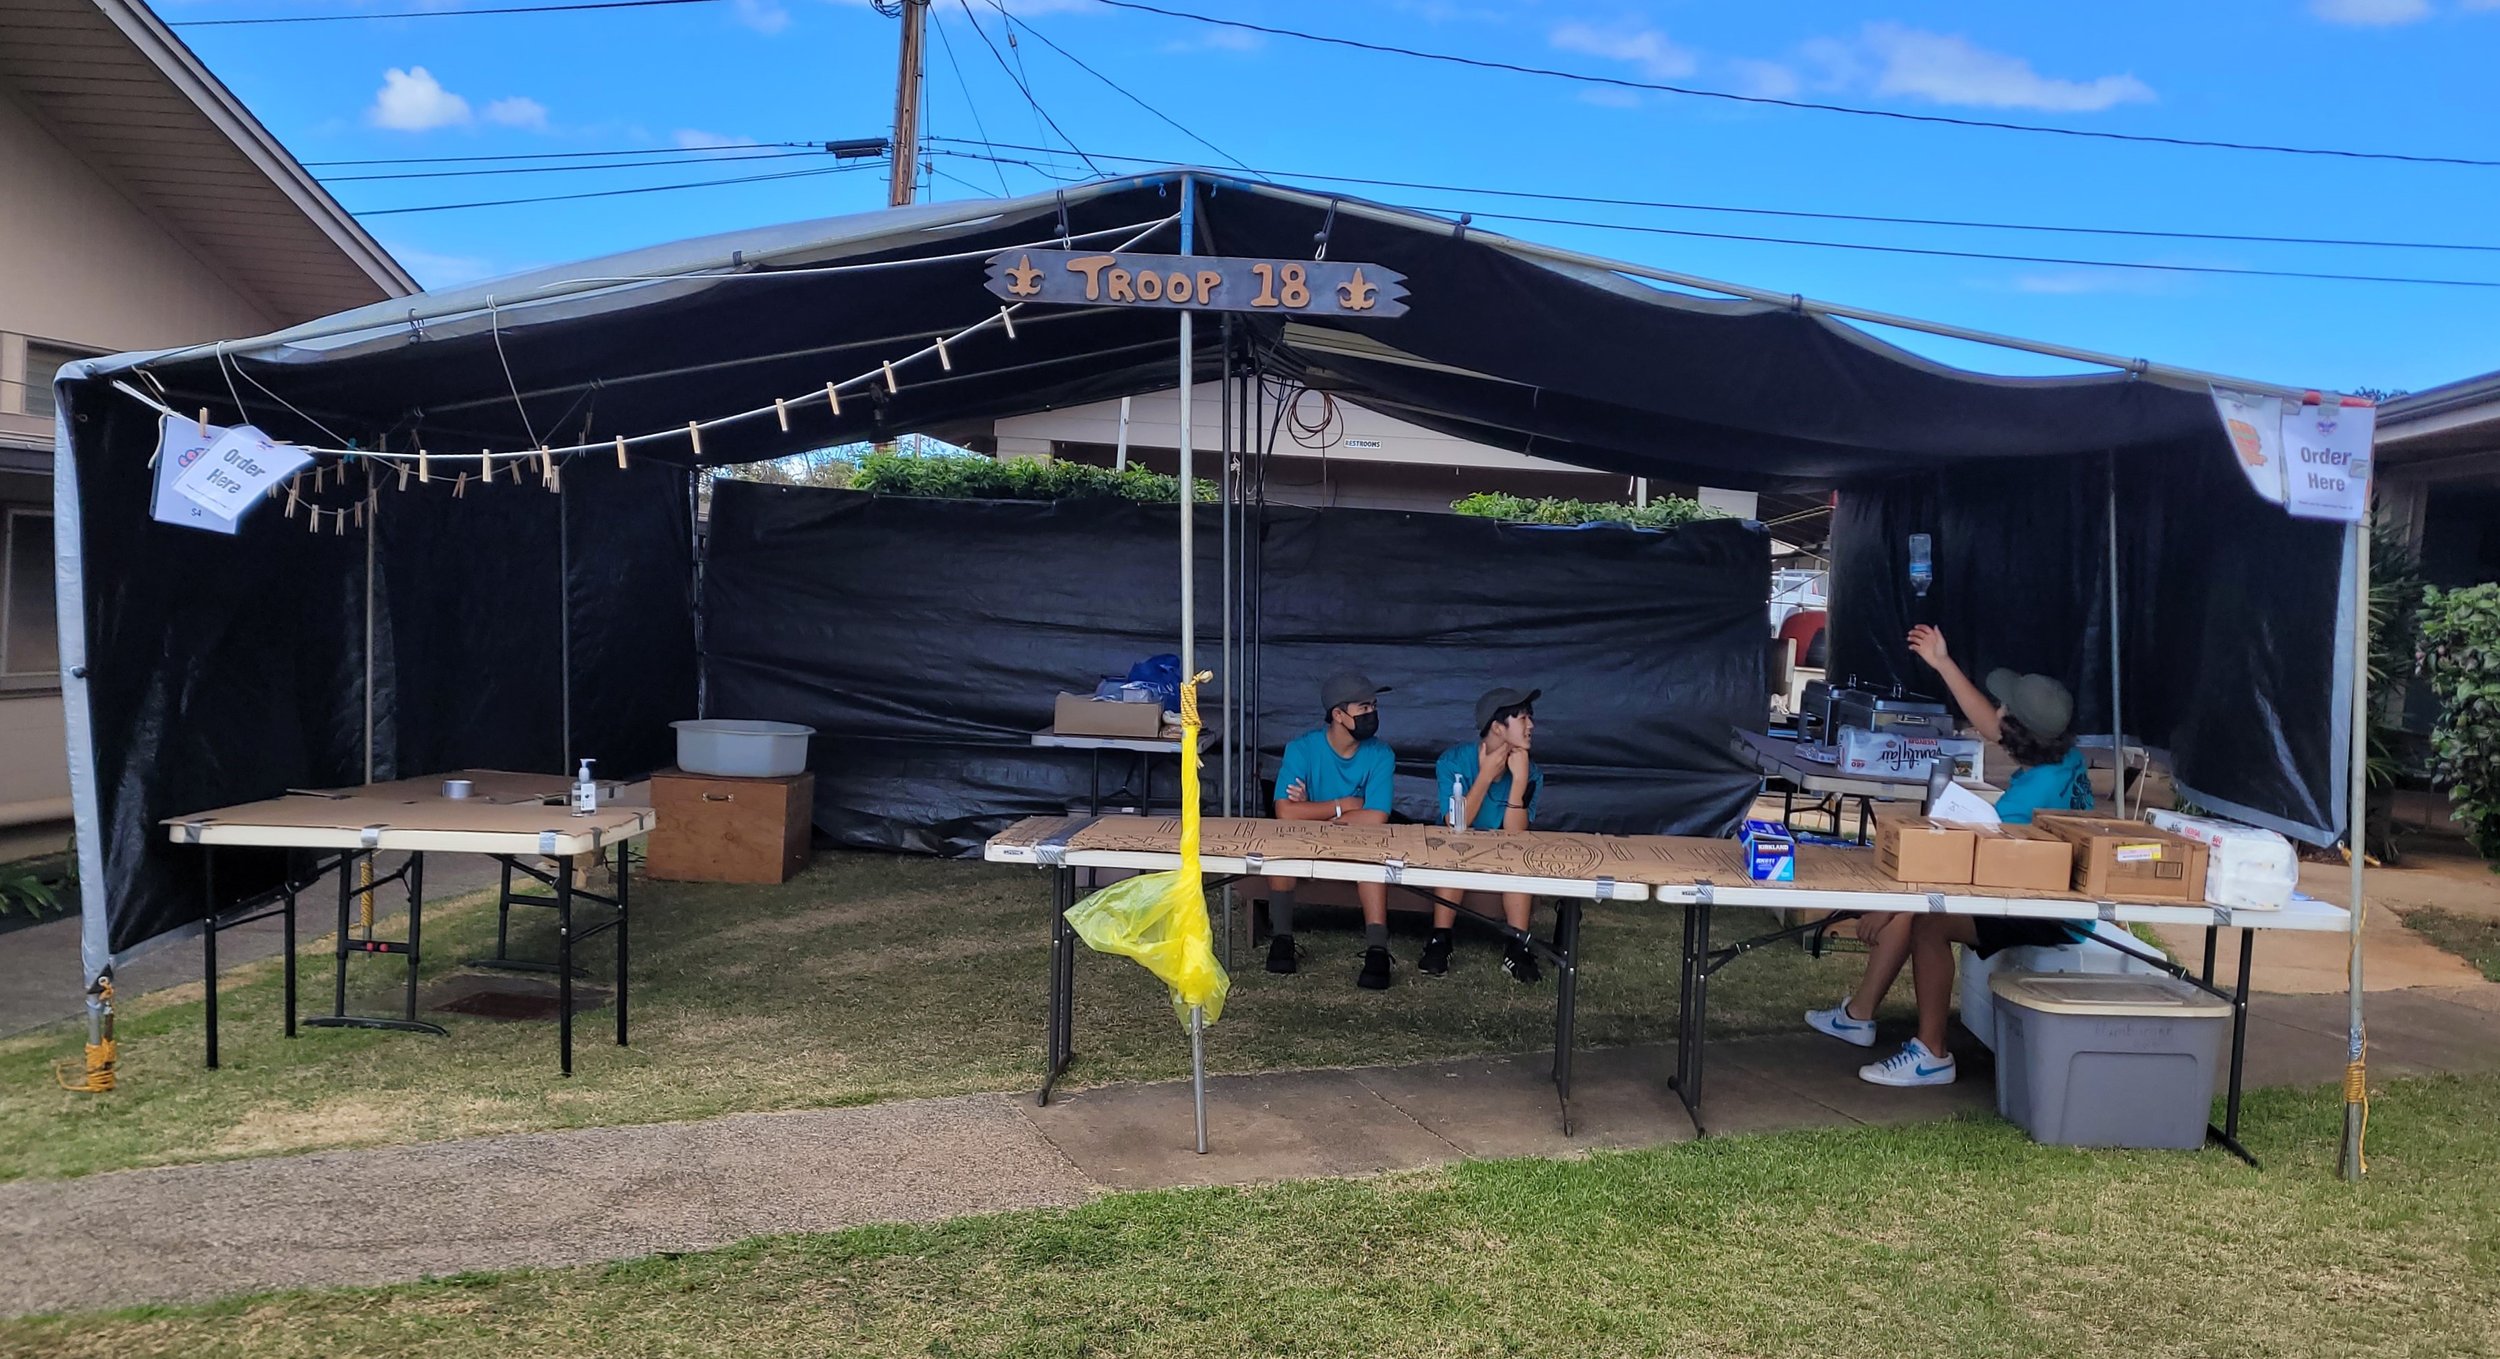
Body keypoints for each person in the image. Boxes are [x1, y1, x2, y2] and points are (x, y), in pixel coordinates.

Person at [1804, 624, 2095, 1086]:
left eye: (2005, 708)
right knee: (1917, 909)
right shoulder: (2064, 756)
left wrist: (1891, 904)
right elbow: (1993, 724)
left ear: (2019, 731)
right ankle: (1858, 1016)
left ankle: (1931, 1053)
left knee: (1929, 920)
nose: (1996, 710)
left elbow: (1969, 871)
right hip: (2046, 887)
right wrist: (1942, 661)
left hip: (2049, 910)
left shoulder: (2025, 802)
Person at [1265, 671, 1400, 989]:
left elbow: (1377, 816)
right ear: (1338, 715)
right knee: (1279, 849)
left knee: (1372, 856)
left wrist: (1312, 813)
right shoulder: (1301, 749)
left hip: (1355, 843)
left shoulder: (1381, 754)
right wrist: (1346, 805)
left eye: (1373, 706)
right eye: (1363, 707)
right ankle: (1281, 942)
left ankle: (1377, 950)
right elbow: (1284, 812)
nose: (1372, 714)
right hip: (1308, 841)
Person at [1419, 687, 1545, 982]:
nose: (1531, 726)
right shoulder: (1453, 762)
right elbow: (1456, 824)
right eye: (1523, 718)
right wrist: (1486, 774)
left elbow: (1515, 833)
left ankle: (1517, 947)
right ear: (1498, 727)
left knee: (1517, 857)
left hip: (1504, 849)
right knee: (1454, 850)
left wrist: (1520, 781)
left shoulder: (1532, 772)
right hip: (1459, 844)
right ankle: (1440, 939)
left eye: (1530, 717)